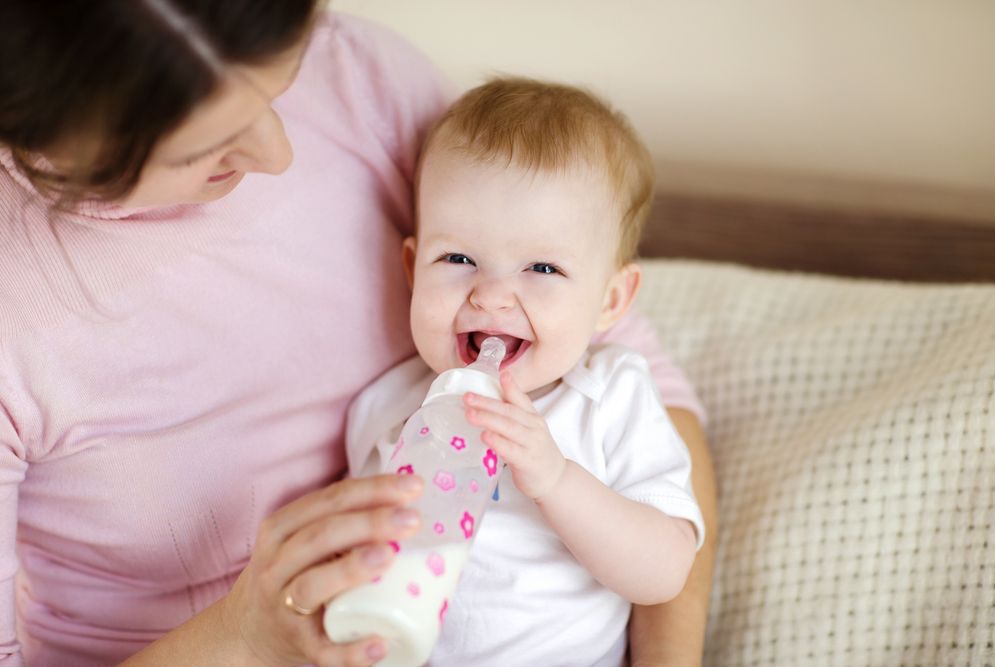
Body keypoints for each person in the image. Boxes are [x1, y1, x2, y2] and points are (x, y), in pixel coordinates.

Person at [0, 2, 717, 666]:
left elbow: (625, 357)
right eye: (205, 145)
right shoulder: (387, 409)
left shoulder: (361, 77)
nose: (280, 153)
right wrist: (241, 635)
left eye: (281, 85)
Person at [344, 77, 704, 667]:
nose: (490, 297)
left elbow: (665, 570)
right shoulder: (386, 409)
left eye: (541, 267)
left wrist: (557, 480)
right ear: (412, 268)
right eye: (457, 259)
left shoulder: (611, 396)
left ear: (612, 299)